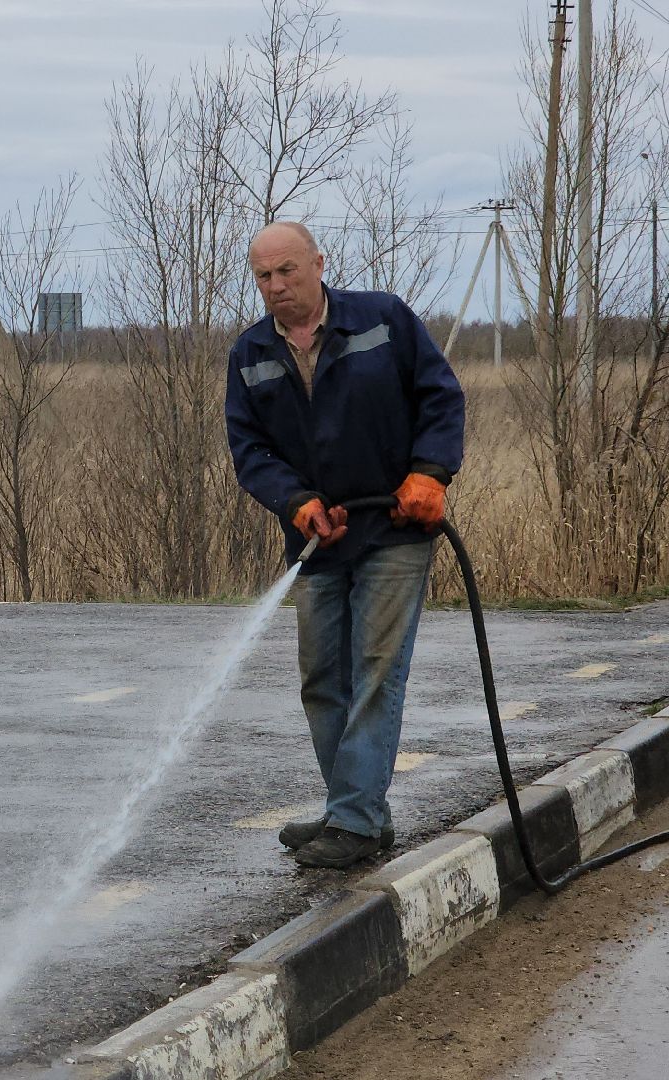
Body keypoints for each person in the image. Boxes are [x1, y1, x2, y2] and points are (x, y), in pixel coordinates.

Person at [223, 221, 466, 869]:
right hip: (317, 541)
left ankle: (354, 821)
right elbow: (251, 452)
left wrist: (429, 472)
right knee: (322, 680)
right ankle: (353, 810)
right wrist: (296, 502)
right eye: (264, 277)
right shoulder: (250, 354)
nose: (277, 286)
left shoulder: (382, 319)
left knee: (374, 672)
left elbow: (441, 398)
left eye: (287, 272)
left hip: (394, 528)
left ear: (318, 265)